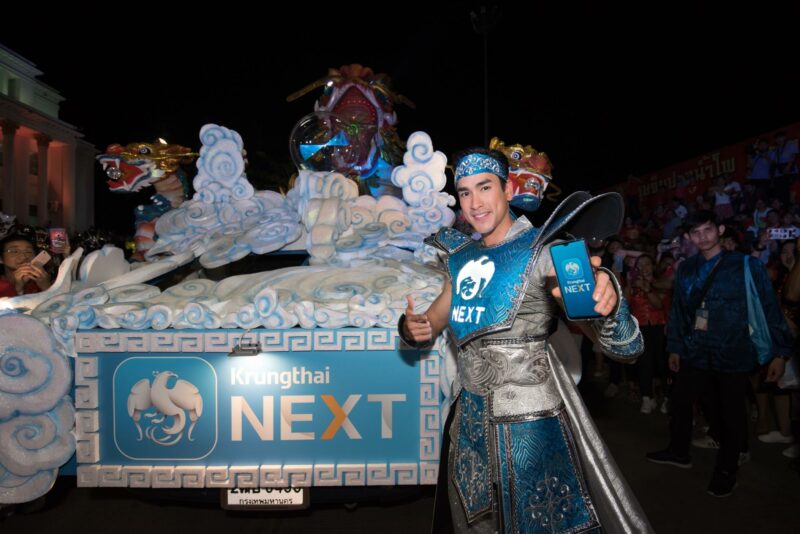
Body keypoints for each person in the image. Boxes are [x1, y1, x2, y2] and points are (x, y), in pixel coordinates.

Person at [399, 147, 650, 533]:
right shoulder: (461, 260)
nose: (475, 203)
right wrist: (410, 328)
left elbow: (626, 349)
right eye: (465, 192)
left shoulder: (544, 251)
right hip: (468, 430)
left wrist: (608, 299)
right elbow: (429, 323)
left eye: (485, 187)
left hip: (530, 430)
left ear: (508, 189)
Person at [646, 210, 793, 497]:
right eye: (696, 232)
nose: (703, 237)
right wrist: (675, 347)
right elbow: (679, 311)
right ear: (688, 237)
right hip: (695, 350)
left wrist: (780, 353)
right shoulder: (687, 268)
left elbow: (769, 308)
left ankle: (727, 468)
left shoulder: (746, 265)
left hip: (733, 351)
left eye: (708, 230)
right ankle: (679, 451)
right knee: (681, 400)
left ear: (720, 230)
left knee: (731, 411)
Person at [0, 234, 51, 298]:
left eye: (29, 251)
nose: (23, 256)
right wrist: (18, 290)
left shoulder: (41, 280)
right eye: (14, 251)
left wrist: (47, 287)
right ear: (1, 258)